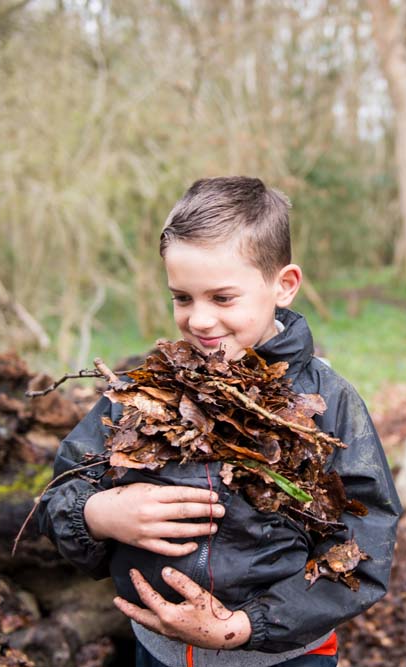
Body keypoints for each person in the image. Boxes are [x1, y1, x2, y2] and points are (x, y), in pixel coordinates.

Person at [37, 177, 402, 667]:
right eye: (182, 298)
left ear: (284, 285)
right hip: (158, 651)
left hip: (283, 657)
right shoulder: (143, 391)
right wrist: (97, 514)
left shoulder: (328, 401)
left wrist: (242, 627)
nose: (200, 321)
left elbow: (366, 541)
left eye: (222, 298)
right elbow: (58, 492)